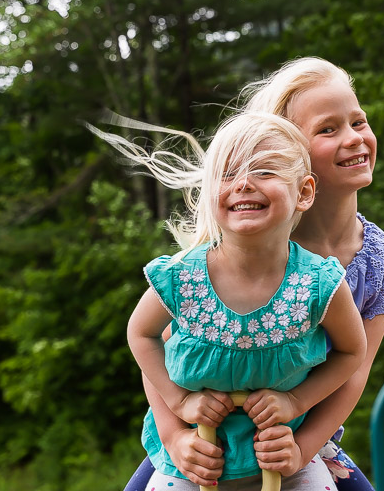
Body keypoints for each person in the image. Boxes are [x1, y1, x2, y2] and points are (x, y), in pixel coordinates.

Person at [123, 57, 384, 491]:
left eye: (358, 122)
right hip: (201, 441)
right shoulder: (247, 237)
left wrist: (303, 448)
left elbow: (354, 371)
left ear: (302, 188)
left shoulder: (382, 259)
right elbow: (161, 348)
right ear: (285, 146)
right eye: (328, 129)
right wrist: (173, 436)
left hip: (298, 439)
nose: (354, 138)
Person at [95, 111, 368, 490]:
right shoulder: (182, 278)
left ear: (304, 192)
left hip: (286, 464)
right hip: (193, 464)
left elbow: (352, 352)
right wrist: (177, 413)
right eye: (227, 174)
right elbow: (142, 336)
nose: (243, 184)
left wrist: (295, 404)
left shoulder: (318, 285)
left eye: (263, 171)